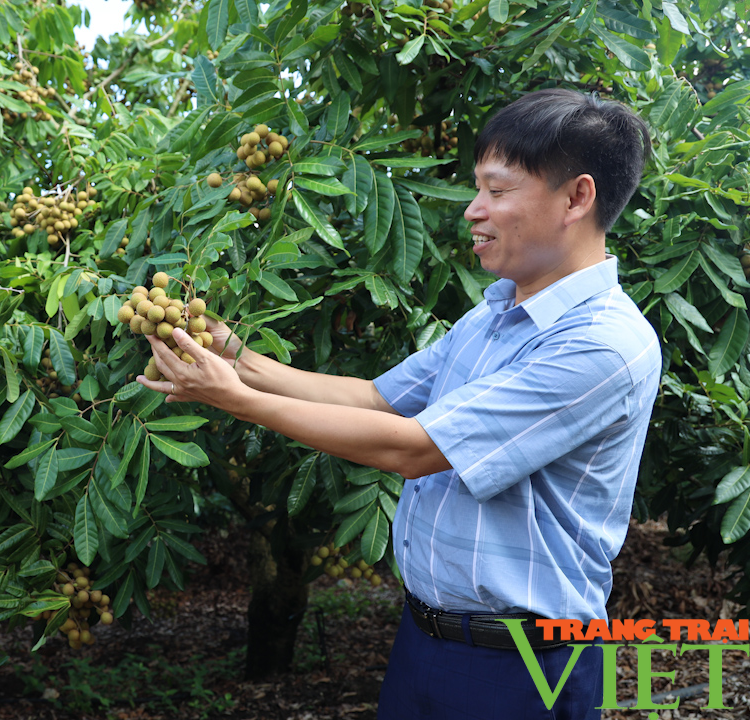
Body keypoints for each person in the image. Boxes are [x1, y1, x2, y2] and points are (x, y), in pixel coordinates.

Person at [137, 89, 659, 719]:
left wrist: (237, 399)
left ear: (577, 198)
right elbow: (376, 399)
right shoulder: (496, 311)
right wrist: (236, 354)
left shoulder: (604, 345)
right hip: (425, 640)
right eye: (477, 189)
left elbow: (414, 448)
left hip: (525, 664)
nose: (473, 210)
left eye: (497, 190)